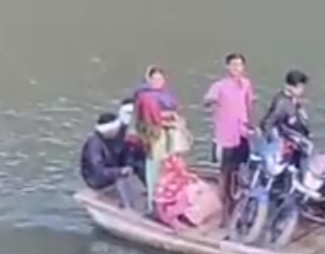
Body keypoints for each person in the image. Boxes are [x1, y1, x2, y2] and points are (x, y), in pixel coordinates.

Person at [204, 53, 255, 223]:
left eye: (239, 65)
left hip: (242, 134)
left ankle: (238, 206)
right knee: (225, 174)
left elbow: (249, 106)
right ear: (227, 67)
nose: (236, 68)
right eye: (233, 65)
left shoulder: (246, 84)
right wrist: (213, 104)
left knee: (241, 171)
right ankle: (224, 212)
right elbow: (208, 100)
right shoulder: (219, 86)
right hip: (225, 136)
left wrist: (251, 126)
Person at [134, 66, 191, 212]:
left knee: (170, 166)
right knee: (155, 167)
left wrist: (177, 122)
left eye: (160, 78)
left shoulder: (167, 94)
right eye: (154, 79)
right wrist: (167, 121)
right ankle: (152, 203)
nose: (157, 81)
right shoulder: (144, 96)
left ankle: (169, 200)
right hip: (155, 136)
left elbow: (174, 111)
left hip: (170, 134)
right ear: (149, 80)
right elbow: (146, 118)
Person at [80, 112, 142, 209]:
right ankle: (128, 210)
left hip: (111, 171)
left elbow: (124, 155)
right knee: (122, 180)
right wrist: (119, 172)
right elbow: (98, 171)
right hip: (96, 179)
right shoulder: (94, 145)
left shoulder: (114, 140)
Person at [258, 69, 311, 165]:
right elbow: (267, 123)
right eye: (299, 87)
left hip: (297, 144)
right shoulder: (282, 103)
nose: (302, 90)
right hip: (285, 148)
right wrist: (277, 144)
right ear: (289, 87)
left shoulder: (295, 101)